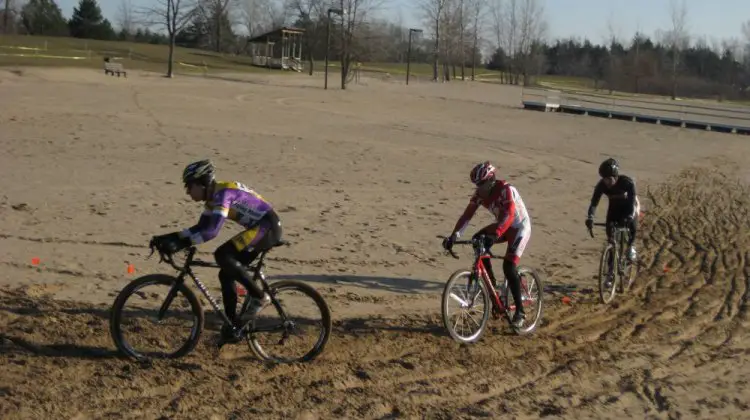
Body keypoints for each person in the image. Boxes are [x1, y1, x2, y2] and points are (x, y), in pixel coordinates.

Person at [149, 159, 283, 344]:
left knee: (222, 255)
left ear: (202, 183)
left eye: (189, 186)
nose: (187, 191)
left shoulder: (223, 194)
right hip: (259, 227)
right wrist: (172, 237)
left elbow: (211, 232)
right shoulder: (212, 199)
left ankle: (259, 297)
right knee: (225, 272)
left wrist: (181, 244)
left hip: (267, 228)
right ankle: (232, 326)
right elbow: (200, 227)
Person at [442, 161, 532, 328]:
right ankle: (491, 283)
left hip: (519, 227)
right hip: (503, 226)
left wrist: (496, 234)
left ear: (491, 180)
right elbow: (466, 216)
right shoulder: (479, 195)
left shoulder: (506, 190)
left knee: (509, 266)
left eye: (481, 184)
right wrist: (454, 235)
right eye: (477, 185)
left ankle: (520, 312)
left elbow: (510, 215)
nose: (479, 188)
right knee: (478, 240)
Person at [585, 158, 640, 261]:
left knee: (632, 221)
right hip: (614, 209)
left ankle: (631, 246)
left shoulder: (627, 183)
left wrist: (630, 216)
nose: (607, 182)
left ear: (615, 176)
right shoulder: (601, 185)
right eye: (604, 179)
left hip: (628, 206)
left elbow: (633, 202)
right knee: (610, 231)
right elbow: (594, 203)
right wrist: (590, 217)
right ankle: (611, 258)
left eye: (609, 179)